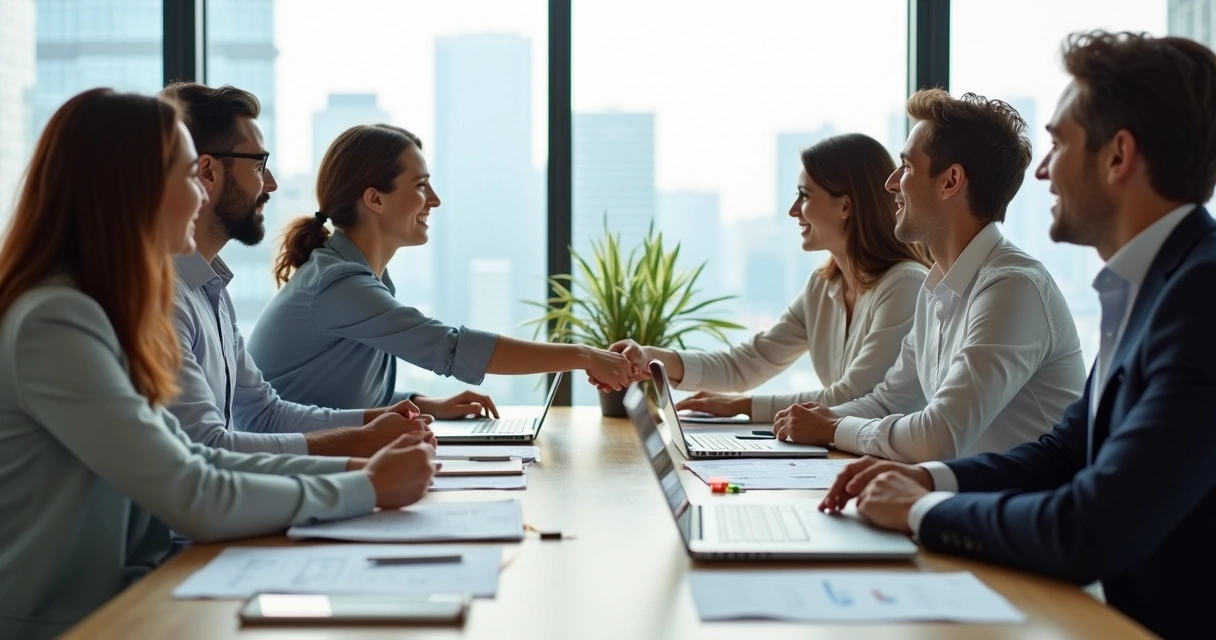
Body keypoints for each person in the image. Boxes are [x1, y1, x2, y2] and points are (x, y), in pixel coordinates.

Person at [820, 31, 1216, 639]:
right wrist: (930, 479)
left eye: (1058, 143)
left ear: (1118, 157)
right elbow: (1067, 452)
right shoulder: (1152, 286)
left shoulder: (1200, 296)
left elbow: (1091, 529)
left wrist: (923, 508)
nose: (1041, 169)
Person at [0, 88, 436, 639]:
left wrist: (363, 469)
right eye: (188, 175)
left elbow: (194, 460)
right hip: (73, 622)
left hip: (135, 596)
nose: (199, 194)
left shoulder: (104, 304)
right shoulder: (56, 320)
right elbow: (192, 489)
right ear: (132, 189)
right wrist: (366, 485)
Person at [765, 90, 1087, 462]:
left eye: (906, 167)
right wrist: (812, 421)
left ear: (950, 181)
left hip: (1022, 511)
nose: (891, 184)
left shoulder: (1012, 288)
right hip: (963, 500)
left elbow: (939, 435)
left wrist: (833, 429)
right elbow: (889, 401)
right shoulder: (935, 287)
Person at [246, 123, 635, 411]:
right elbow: (451, 347)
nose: (434, 200)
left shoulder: (362, 274)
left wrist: (427, 404)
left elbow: (341, 397)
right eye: (420, 186)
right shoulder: (341, 284)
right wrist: (583, 355)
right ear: (374, 199)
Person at [159, 83, 442, 456]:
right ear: (208, 172)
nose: (272, 182)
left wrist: (376, 422)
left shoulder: (212, 289)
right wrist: (362, 457)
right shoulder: (165, 300)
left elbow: (265, 414)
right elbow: (205, 450)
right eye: (259, 164)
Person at [604, 133, 931, 423]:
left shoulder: (905, 285)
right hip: (846, 454)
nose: (793, 210)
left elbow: (853, 396)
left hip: (894, 469)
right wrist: (652, 357)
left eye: (804, 195)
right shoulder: (822, 288)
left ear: (845, 205)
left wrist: (741, 407)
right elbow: (746, 363)